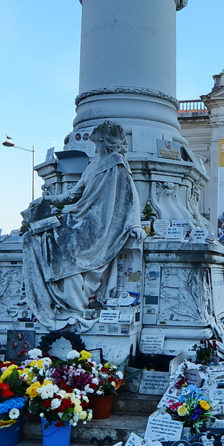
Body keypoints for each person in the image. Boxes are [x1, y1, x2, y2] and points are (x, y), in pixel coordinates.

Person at [20, 120, 143, 330]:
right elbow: (72, 195)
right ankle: (61, 300)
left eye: (97, 142)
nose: (95, 146)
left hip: (99, 224)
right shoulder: (93, 165)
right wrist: (46, 200)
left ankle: (73, 305)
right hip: (80, 218)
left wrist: (135, 224)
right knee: (36, 237)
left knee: (68, 252)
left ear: (104, 141)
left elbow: (129, 196)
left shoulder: (116, 162)